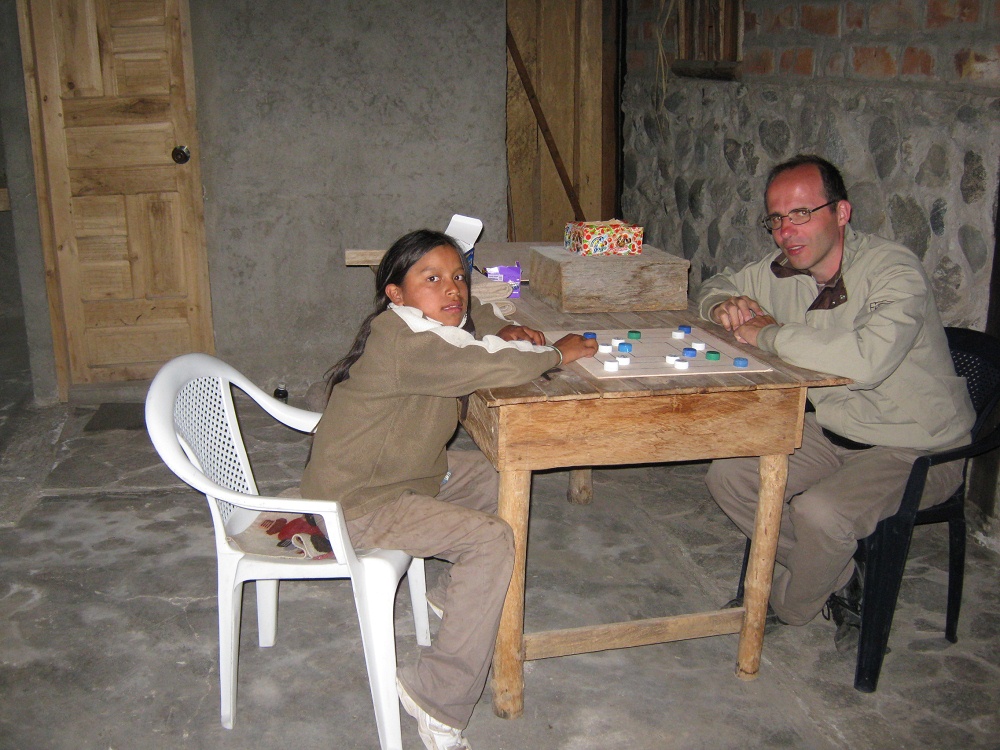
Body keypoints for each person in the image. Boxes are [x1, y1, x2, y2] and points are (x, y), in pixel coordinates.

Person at [300, 229, 597, 750]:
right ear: (395, 293)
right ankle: (436, 696)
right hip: (360, 502)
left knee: (502, 478)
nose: (452, 288)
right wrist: (555, 353)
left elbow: (472, 329)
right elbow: (481, 364)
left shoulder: (426, 327)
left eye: (458, 276)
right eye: (432, 278)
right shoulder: (404, 343)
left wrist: (503, 332)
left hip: (407, 475)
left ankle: (456, 597)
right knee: (490, 541)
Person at [696, 154, 975, 650]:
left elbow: (865, 361)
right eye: (776, 219)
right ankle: (839, 576)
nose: (787, 231)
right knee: (730, 476)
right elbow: (717, 284)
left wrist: (769, 335)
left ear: (841, 213)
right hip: (836, 431)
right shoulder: (785, 270)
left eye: (802, 213)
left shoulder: (894, 272)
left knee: (821, 513)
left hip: (918, 446)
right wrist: (722, 304)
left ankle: (785, 604)